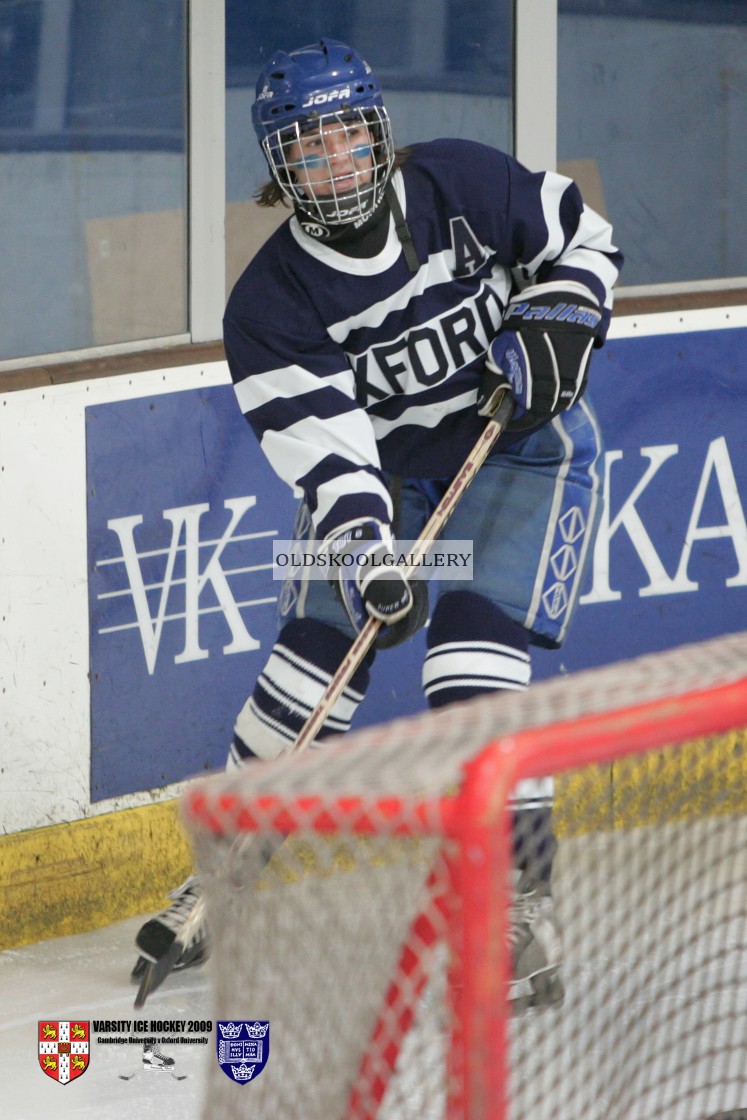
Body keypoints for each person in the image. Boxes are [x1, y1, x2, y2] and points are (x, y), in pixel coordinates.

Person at [132, 37, 623, 1008]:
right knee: (315, 656)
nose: (337, 163)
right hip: (386, 480)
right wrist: (367, 549)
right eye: (309, 150)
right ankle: (227, 864)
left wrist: (563, 314)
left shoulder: (460, 183)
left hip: (520, 447)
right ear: (279, 171)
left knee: (471, 664)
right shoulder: (270, 308)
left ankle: (522, 896)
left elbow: (583, 236)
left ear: (379, 135)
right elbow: (331, 456)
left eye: (350, 137)